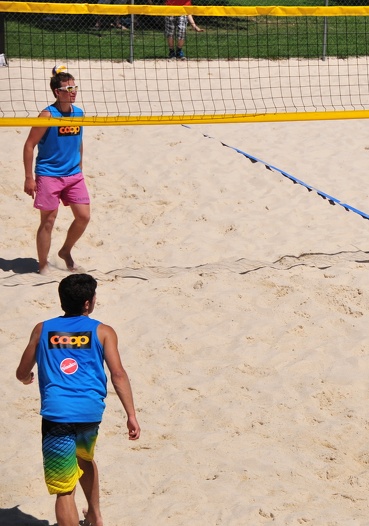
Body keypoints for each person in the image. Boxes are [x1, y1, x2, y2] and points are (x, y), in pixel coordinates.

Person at [15, 273, 140, 526]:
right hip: (90, 413)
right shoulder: (104, 331)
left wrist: (27, 377)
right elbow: (118, 374)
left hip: (57, 414)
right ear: (87, 303)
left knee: (64, 488)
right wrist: (131, 415)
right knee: (84, 458)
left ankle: (90, 515)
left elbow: (21, 372)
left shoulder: (43, 329)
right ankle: (95, 515)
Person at [23, 69, 90, 275]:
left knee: (83, 217)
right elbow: (29, 145)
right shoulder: (47, 115)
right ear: (56, 92)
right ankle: (42, 265)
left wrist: (79, 168)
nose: (73, 92)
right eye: (68, 88)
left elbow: (78, 142)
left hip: (73, 174)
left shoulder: (78, 113)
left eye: (74, 87)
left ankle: (65, 251)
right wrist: (29, 177)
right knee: (48, 221)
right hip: (49, 174)